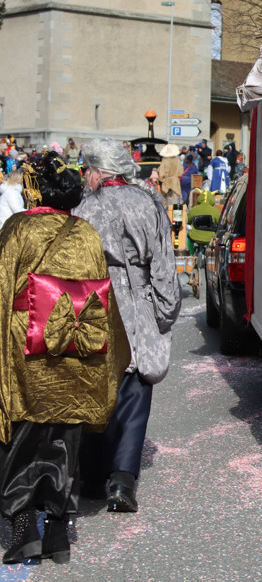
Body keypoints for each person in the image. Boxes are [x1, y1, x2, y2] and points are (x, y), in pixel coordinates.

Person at [0, 153, 129, 563]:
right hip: (74, 348)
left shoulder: (17, 229)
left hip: (28, 350)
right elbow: (99, 296)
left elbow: (3, 289)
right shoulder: (86, 232)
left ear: (34, 189)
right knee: (64, 440)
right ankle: (58, 534)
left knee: (23, 437)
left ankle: (24, 531)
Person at [74, 139, 182, 513]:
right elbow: (163, 263)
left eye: (88, 169)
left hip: (96, 301)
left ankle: (90, 476)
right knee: (135, 392)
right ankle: (122, 480)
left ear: (100, 171)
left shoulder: (85, 208)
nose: (86, 176)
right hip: (138, 301)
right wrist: (166, 312)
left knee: (94, 386)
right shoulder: (146, 203)